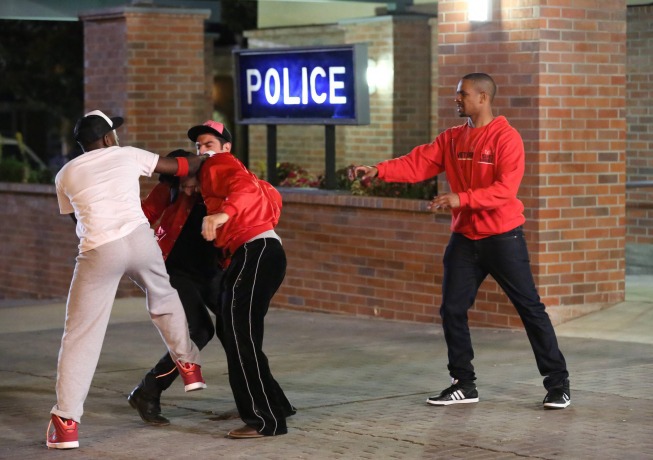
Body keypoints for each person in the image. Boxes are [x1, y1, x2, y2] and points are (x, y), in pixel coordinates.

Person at [354, 73, 571, 410]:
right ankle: (463, 383)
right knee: (452, 310)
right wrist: (378, 170)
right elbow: (418, 162)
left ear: (483, 97)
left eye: (463, 94)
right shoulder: (452, 138)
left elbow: (504, 191)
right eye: (457, 95)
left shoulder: (506, 138)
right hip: (465, 240)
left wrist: (460, 198)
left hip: (503, 237)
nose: (457, 99)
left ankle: (558, 384)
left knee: (530, 309)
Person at [47, 110, 208, 449]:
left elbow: (77, 217)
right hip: (139, 240)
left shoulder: (64, 174)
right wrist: (204, 156)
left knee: (80, 334)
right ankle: (189, 365)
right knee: (163, 295)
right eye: (114, 133)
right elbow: (182, 167)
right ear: (108, 139)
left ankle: (66, 424)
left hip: (98, 250)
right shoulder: (126, 154)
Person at [190, 120, 296, 439]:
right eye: (199, 146)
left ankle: (264, 420)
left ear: (226, 148)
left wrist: (223, 215)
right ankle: (274, 404)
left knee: (238, 334)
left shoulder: (220, 164)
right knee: (237, 331)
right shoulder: (240, 174)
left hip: (254, 252)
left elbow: (246, 191)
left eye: (209, 144)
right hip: (264, 251)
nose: (202, 151)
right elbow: (270, 197)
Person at [127, 149, 224, 426]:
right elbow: (142, 216)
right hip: (174, 272)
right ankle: (149, 390)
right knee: (200, 331)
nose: (187, 188)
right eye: (181, 183)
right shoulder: (168, 189)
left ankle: (257, 396)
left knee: (236, 326)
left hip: (211, 272)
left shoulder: (217, 186)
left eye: (189, 181)